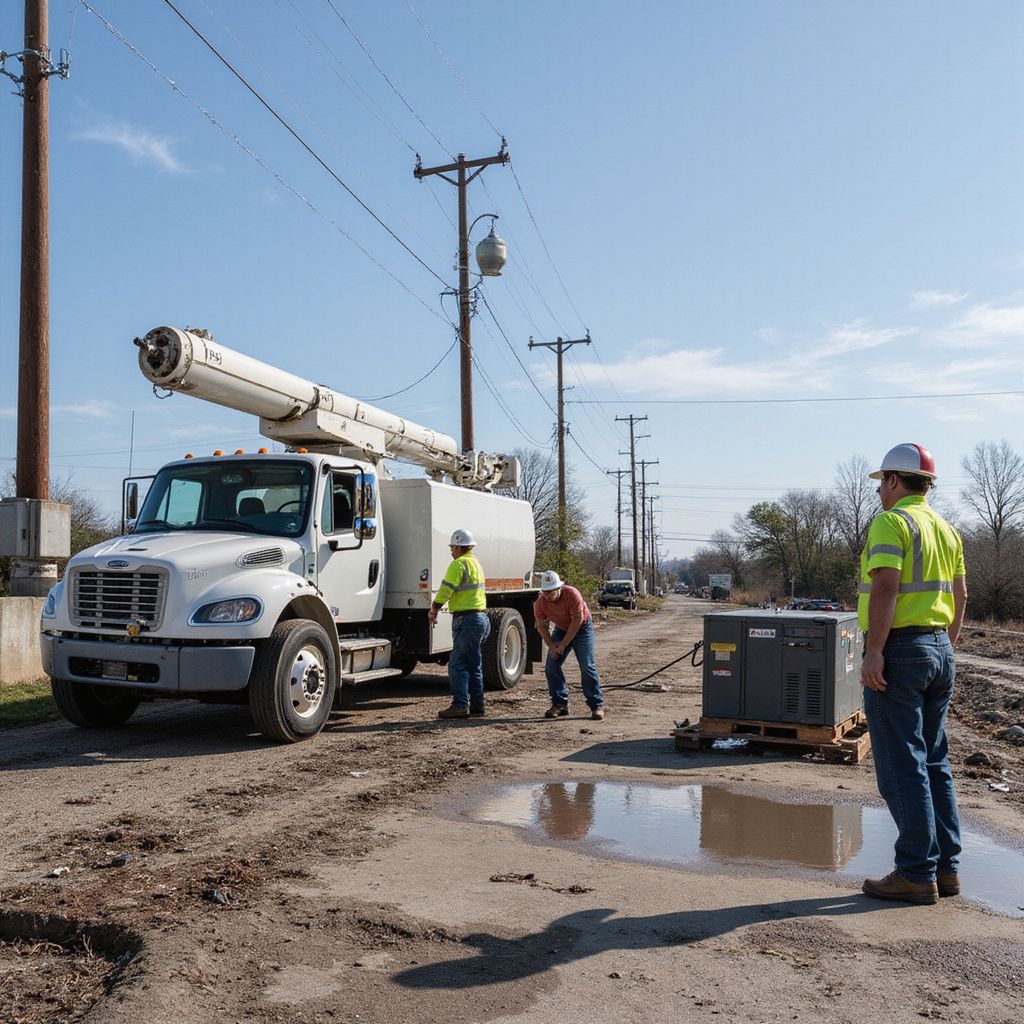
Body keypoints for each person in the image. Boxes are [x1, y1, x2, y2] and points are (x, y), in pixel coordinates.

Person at [858, 443, 967, 906]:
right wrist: (944, 646)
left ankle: (915, 873)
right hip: (938, 647)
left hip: (900, 651)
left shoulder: (892, 522)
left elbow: (885, 587)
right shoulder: (946, 529)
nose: (880, 491)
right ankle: (945, 870)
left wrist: (875, 652)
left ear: (895, 481)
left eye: (883, 481)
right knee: (934, 763)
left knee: (903, 766)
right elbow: (961, 595)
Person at [428, 528, 490, 719]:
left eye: (452, 547)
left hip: (467, 619)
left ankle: (460, 704)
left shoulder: (459, 564)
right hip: (480, 618)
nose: (451, 551)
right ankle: (477, 706)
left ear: (459, 547)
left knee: (457, 663)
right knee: (474, 663)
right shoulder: (475, 563)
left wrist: (434, 609)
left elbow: (447, 589)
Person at [534, 570, 605, 721]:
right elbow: (541, 626)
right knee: (551, 666)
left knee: (587, 666)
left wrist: (563, 644)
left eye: (550, 592)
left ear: (559, 588)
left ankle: (596, 705)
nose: (547, 596)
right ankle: (560, 704)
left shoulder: (572, 594)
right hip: (561, 629)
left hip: (582, 629)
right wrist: (552, 646)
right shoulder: (540, 603)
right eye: (544, 592)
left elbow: (577, 620)